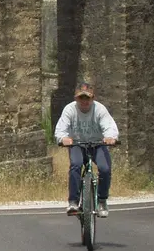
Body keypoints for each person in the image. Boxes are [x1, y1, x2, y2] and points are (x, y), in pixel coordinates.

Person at [54, 80, 119, 218]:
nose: (84, 101)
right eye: (81, 98)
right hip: (77, 144)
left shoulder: (100, 109)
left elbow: (109, 126)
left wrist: (110, 137)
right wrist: (63, 138)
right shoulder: (69, 110)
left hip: (97, 144)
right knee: (76, 165)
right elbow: (61, 129)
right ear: (75, 98)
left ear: (92, 98)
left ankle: (102, 201)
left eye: (87, 98)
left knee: (105, 168)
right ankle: (73, 202)